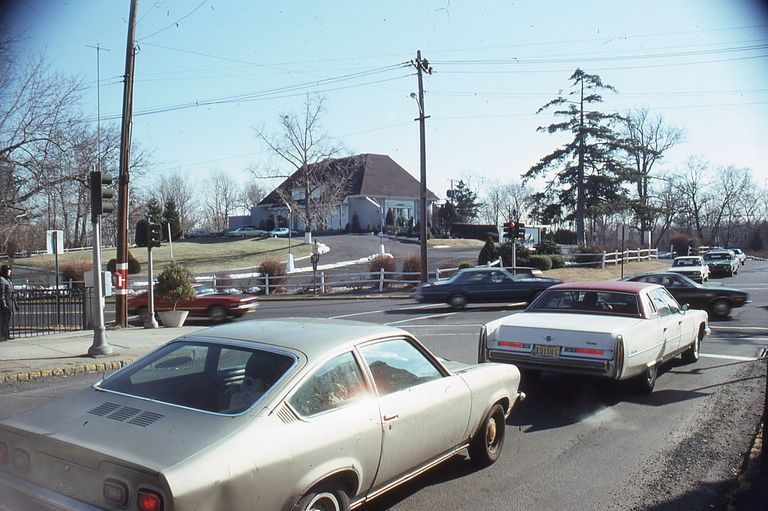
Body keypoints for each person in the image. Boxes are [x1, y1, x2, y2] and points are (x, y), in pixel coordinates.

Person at [0, 264, 18, 341]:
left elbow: (11, 292)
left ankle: (7, 335)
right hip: (5, 304)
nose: (10, 272)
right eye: (8, 271)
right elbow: (2, 293)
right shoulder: (1, 280)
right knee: (3, 320)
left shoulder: (8, 280)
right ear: (5, 271)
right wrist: (4, 304)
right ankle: (3, 335)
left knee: (7, 320)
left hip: (10, 303)